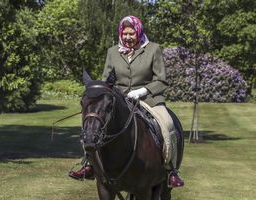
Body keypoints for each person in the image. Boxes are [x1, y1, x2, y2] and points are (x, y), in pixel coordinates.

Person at [69, 15, 184, 188]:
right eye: (125, 34)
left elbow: (161, 80)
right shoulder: (112, 52)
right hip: (119, 99)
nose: (128, 37)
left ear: (138, 32)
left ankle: (170, 170)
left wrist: (142, 91)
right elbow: (107, 81)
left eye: (131, 33)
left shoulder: (153, 49)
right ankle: (89, 164)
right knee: (93, 125)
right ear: (120, 34)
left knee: (167, 125)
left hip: (149, 99)